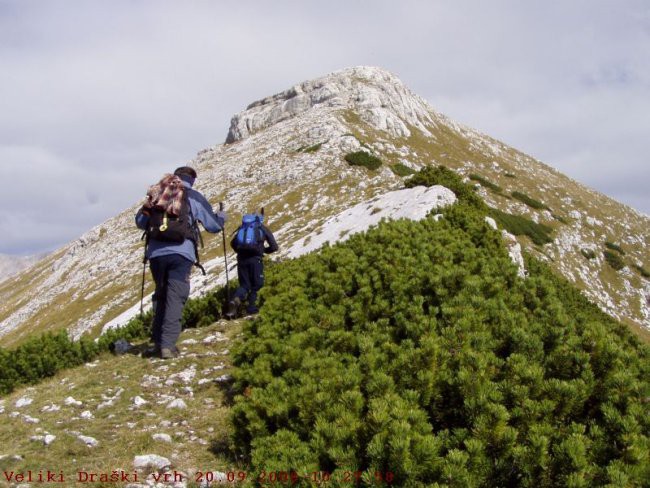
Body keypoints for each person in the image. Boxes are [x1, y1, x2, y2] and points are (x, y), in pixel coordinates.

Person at [135, 166, 226, 359]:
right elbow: (214, 226)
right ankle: (168, 346)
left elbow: (140, 221)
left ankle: (157, 342)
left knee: (161, 294)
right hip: (181, 253)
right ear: (191, 180)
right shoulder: (192, 196)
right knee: (175, 296)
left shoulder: (158, 194)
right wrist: (222, 217)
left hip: (156, 254)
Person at [226, 213, 278, 318]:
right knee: (257, 284)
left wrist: (241, 252)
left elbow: (233, 243)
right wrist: (263, 250)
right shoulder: (261, 228)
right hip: (255, 260)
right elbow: (274, 246)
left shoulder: (243, 228)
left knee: (244, 285)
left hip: (241, 260)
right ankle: (252, 309)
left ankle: (235, 299)